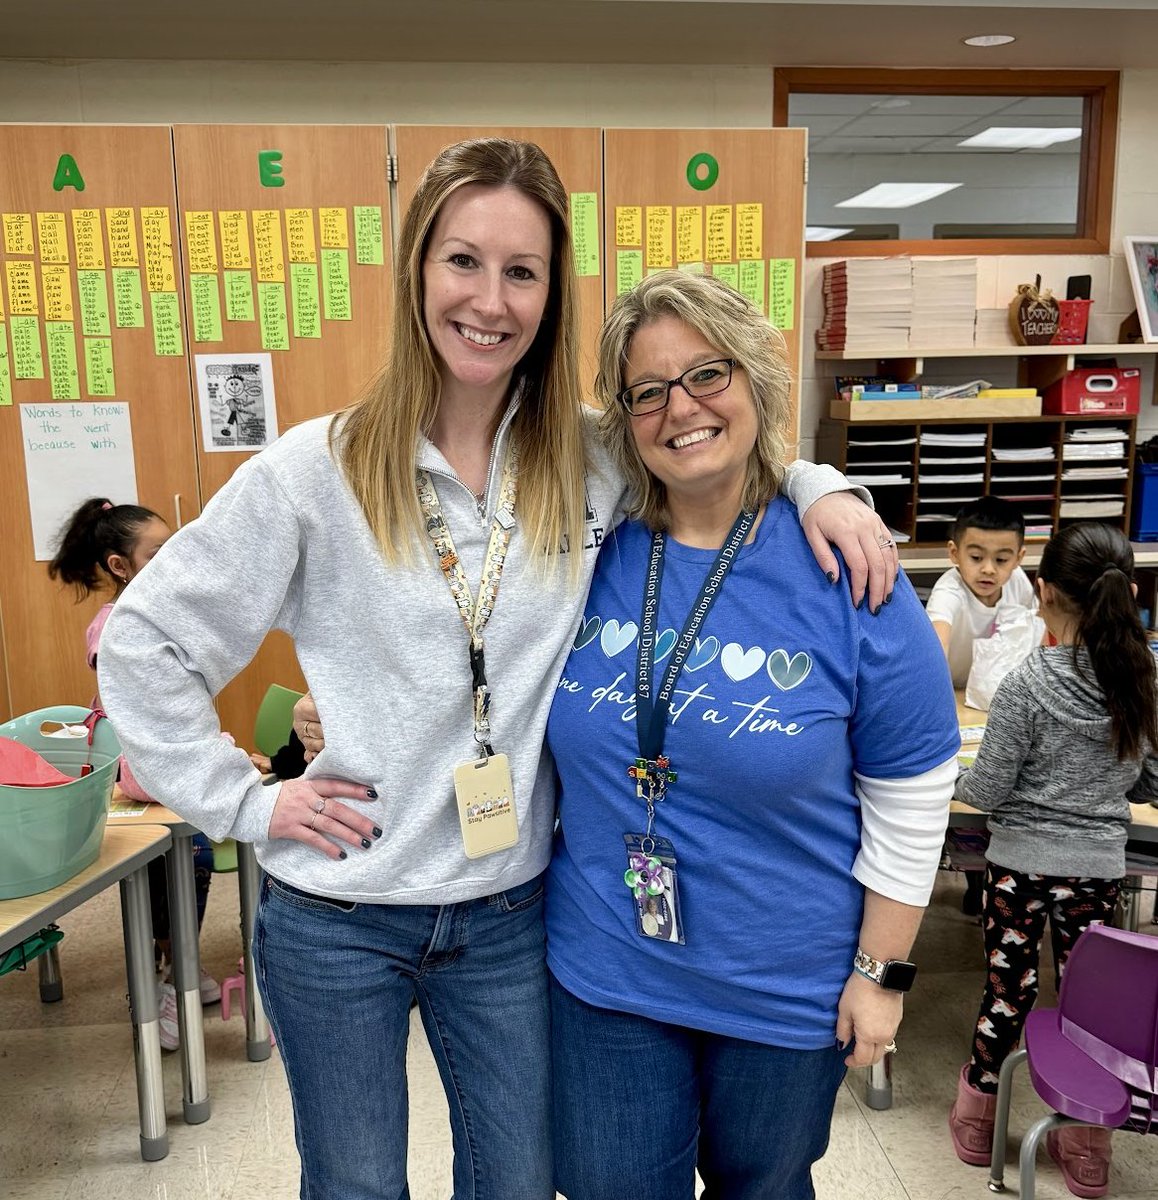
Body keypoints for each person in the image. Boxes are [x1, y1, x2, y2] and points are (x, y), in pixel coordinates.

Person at [97, 138, 899, 1199]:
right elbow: (145, 641)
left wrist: (818, 483)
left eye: (521, 272)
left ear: (549, 295)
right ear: (417, 273)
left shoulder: (587, 454)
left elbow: (705, 426)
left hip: (509, 913)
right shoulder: (312, 472)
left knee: (517, 1182)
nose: (490, 299)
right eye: (462, 261)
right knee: (358, 1185)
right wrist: (244, 802)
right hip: (338, 918)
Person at [543, 271, 960, 1200]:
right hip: (608, 967)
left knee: (763, 1188)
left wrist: (880, 977)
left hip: (785, 983)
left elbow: (914, 789)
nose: (679, 408)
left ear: (757, 381)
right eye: (647, 391)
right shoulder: (583, 547)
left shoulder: (847, 566)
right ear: (623, 419)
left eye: (706, 375)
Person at [947, 521, 1158, 1198]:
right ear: (1126, 593)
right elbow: (1149, 783)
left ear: (1042, 593)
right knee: (1089, 1008)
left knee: (1007, 994)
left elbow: (986, 790)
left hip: (1020, 870)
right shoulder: (1138, 680)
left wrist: (958, 782)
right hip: (1097, 872)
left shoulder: (1029, 680)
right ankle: (1086, 1142)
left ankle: (979, 1117)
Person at [47, 498, 220, 1051]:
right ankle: (152, 983)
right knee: (161, 868)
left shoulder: (162, 614)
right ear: (121, 565)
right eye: (159, 551)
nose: (175, 559)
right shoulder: (114, 628)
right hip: (135, 769)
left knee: (196, 857)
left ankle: (176, 965)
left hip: (166, 760)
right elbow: (142, 713)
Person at [925, 496, 1038, 916]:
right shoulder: (949, 589)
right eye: (976, 557)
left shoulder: (1021, 585)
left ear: (1020, 558)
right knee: (966, 790)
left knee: (1000, 783)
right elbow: (935, 644)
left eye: (1002, 558)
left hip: (1000, 703)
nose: (988, 569)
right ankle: (973, 878)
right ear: (954, 554)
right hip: (952, 697)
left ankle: (986, 873)